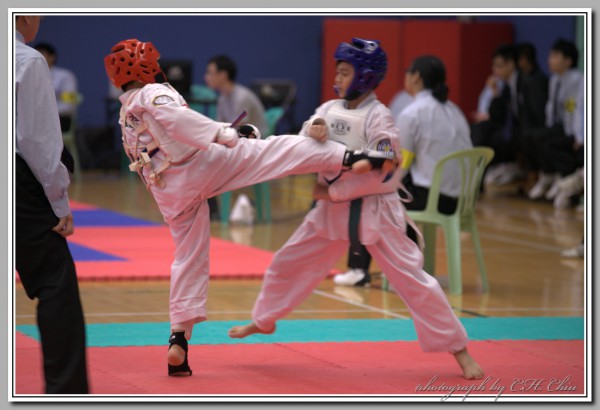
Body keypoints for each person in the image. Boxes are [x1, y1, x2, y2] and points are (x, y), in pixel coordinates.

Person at [103, 38, 396, 377]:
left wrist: (234, 133)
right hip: (197, 167)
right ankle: (355, 157)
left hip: (168, 190)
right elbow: (179, 122)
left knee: (188, 257)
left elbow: (168, 136)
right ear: (145, 67)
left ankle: (178, 339)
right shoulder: (153, 93)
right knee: (279, 150)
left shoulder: (126, 114)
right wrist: (224, 135)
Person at [228, 38, 484, 380]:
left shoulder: (379, 116)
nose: (337, 78)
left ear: (364, 77)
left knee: (414, 281)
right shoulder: (329, 108)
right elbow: (306, 138)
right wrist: (314, 129)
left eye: (345, 72)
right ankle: (264, 320)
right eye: (337, 71)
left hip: (377, 211)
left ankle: (459, 350)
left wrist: (336, 188)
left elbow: (386, 165)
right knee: (287, 262)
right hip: (331, 213)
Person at [334, 55, 474, 287]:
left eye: (409, 72)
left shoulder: (413, 113)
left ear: (416, 77)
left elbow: (397, 164)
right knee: (392, 195)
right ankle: (409, 268)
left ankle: (360, 270)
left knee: (370, 195)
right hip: (460, 201)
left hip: (432, 198)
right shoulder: (455, 110)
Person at [15, 15, 89, 394]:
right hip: (18, 182)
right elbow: (38, 143)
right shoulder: (26, 60)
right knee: (55, 281)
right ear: (26, 15)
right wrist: (60, 202)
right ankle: (67, 392)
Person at [525, 38, 584, 201]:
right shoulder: (554, 80)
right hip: (559, 126)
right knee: (533, 136)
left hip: (573, 129)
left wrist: (580, 137)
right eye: (550, 56)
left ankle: (565, 177)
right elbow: (550, 108)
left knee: (549, 142)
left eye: (555, 56)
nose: (549, 60)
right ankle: (550, 175)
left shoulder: (578, 81)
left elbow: (579, 110)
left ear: (568, 61)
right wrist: (548, 128)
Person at [204, 54, 268, 137]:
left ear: (223, 75)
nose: (206, 77)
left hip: (258, 140)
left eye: (210, 73)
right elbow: (219, 125)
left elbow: (238, 128)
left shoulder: (242, 97)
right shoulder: (222, 97)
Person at [33, 42, 79, 133]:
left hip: (60, 118)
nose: (35, 59)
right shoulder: (29, 76)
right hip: (34, 118)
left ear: (52, 57)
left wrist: (44, 113)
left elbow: (68, 104)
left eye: (41, 54)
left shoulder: (65, 76)